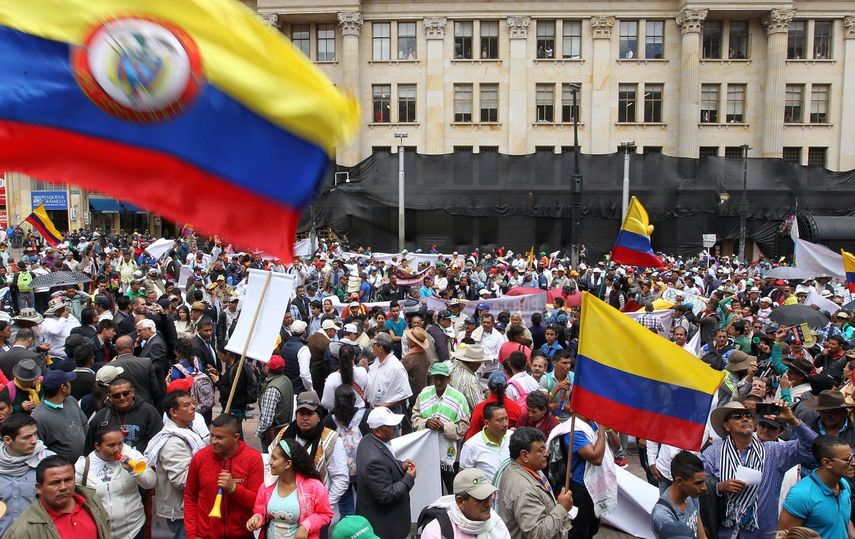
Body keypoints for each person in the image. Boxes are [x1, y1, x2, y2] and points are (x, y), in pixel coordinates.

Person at [701, 400, 818, 539]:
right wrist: (719, 487)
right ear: (726, 426)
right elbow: (698, 486)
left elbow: (813, 446)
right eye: (737, 416)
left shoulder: (773, 452)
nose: (745, 419)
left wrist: (792, 419)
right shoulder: (713, 452)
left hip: (760, 533)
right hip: (723, 532)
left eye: (748, 416)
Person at [185, 413, 264, 539]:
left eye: (220, 438)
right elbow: (190, 498)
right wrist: (192, 535)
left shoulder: (253, 458)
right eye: (212, 436)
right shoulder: (200, 458)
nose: (213, 441)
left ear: (236, 437)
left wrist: (234, 488)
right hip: (206, 535)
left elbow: (258, 501)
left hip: (242, 535)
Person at [74, 426, 157, 539]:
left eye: (120, 443)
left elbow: (151, 482)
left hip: (134, 530)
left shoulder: (132, 455)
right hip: (101, 533)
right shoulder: (83, 466)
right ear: (97, 446)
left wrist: (133, 470)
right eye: (111, 445)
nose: (117, 449)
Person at [274, 391, 349, 515]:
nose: (305, 418)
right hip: (283, 509)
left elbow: (341, 478)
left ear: (319, 416)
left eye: (310, 413)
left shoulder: (331, 439)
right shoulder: (284, 434)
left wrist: (323, 507)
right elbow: (270, 468)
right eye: (301, 413)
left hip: (315, 512)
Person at [145, 390, 207, 539]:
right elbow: (182, 480)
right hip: (182, 511)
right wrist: (211, 474)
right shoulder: (172, 442)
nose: (193, 407)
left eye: (192, 403)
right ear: (173, 412)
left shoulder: (186, 430)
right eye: (186, 405)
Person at [2, 454, 111, 538]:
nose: (63, 487)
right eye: (55, 483)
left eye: (68, 480)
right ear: (39, 488)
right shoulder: (23, 531)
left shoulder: (92, 502)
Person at [247, 438, 334, 539]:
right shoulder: (267, 485)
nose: (269, 462)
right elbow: (260, 512)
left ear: (288, 464)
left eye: (274, 458)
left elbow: (325, 514)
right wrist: (257, 518)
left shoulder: (314, 487)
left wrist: (307, 526)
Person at [495, 427, 573, 539]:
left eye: (545, 448)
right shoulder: (525, 489)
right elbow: (537, 533)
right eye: (541, 450)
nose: (546, 454)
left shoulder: (516, 468)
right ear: (524, 455)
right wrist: (562, 507)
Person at [355, 406, 416, 539]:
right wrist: (409, 478)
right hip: (385, 527)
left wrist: (401, 465)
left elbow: (385, 466)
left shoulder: (368, 440)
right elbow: (386, 496)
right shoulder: (374, 459)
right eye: (390, 425)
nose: (395, 427)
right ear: (377, 430)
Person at [779, 435, 854, 539]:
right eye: (848, 459)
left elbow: (843, 519)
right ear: (827, 463)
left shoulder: (843, 484)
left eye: (853, 457)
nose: (853, 463)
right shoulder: (801, 495)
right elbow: (784, 535)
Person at [411, 362, 471, 493]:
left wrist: (444, 427)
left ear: (449, 378)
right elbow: (415, 418)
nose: (438, 382)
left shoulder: (458, 398)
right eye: (436, 378)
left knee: (452, 489)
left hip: (449, 456)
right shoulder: (424, 394)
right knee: (431, 490)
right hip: (427, 452)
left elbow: (463, 427)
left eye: (442, 378)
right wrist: (426, 423)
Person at [0, 413, 54, 535]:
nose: (35, 441)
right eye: (27, 437)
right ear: (7, 440)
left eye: (35, 434)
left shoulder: (50, 463)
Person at [419, 467, 511, 539]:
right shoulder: (436, 532)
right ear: (460, 501)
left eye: (489, 497)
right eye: (480, 499)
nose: (489, 504)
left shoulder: (496, 524)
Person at [85, 377, 163, 453]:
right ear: (109, 397)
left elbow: (158, 443)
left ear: (132, 392)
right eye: (116, 395)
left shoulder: (149, 412)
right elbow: (90, 447)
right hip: (109, 464)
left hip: (140, 463)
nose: (122, 398)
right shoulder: (101, 416)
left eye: (126, 394)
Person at [31, 370, 88, 462]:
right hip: (63, 470)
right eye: (68, 382)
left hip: (84, 462)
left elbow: (84, 424)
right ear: (63, 387)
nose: (71, 384)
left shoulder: (71, 400)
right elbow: (39, 448)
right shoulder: (38, 417)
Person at [651, 451, 708, 539]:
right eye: (698, 483)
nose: (704, 487)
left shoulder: (691, 495)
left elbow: (700, 530)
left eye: (704, 481)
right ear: (679, 481)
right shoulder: (663, 516)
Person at [460, 403, 510, 482]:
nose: (505, 424)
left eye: (506, 419)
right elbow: (463, 479)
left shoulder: (512, 437)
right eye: (500, 420)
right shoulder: (471, 446)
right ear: (486, 423)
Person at [464, 371, 521, 441]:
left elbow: (471, 436)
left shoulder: (481, 408)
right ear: (506, 386)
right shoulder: (516, 408)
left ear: (489, 386)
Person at [365, 332, 412, 414]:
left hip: (390, 412)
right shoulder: (377, 361)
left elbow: (404, 394)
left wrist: (385, 406)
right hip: (374, 410)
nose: (372, 347)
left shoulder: (396, 367)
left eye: (374, 345)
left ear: (380, 348)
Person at [112, 334, 163, 408]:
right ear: (132, 347)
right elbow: (155, 388)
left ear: (116, 349)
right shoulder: (146, 363)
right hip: (146, 406)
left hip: (121, 408)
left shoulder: (110, 367)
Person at [257, 355, 295, 449]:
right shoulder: (285, 379)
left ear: (267, 368)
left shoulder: (272, 389)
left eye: (264, 364)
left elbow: (267, 420)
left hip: (273, 435)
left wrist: (260, 433)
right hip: (284, 430)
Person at [321, 344, 368, 413]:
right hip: (360, 414)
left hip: (339, 416)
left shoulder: (332, 377)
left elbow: (326, 403)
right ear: (354, 357)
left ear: (338, 357)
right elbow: (367, 393)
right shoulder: (362, 371)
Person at [448, 345, 489, 412]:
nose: (480, 365)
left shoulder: (453, 366)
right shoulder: (470, 380)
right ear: (475, 364)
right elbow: (478, 407)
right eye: (480, 363)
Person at [540, 349, 574, 421]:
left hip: (571, 420)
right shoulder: (545, 379)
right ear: (555, 363)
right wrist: (557, 387)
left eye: (569, 363)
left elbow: (579, 407)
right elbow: (544, 403)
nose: (568, 366)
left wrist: (559, 406)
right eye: (564, 363)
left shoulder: (574, 378)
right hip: (551, 420)